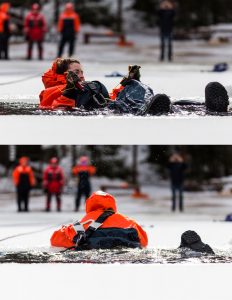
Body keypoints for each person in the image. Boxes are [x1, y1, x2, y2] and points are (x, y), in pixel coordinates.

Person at [39, 58, 170, 114]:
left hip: (110, 106)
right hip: (103, 110)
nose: (81, 75)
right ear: (65, 74)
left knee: (133, 85)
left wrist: (128, 81)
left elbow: (110, 97)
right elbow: (54, 106)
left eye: (82, 72)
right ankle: (145, 108)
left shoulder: (86, 86)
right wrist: (68, 91)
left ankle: (147, 104)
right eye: (77, 72)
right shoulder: (51, 91)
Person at [50, 191, 148, 250]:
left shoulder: (81, 225)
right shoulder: (129, 222)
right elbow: (144, 242)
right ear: (113, 204)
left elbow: (54, 240)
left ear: (88, 205)